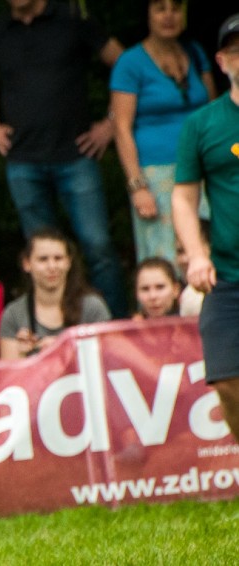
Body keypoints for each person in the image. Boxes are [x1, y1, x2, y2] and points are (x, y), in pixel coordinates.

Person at [0, 0, 128, 319]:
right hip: (23, 160)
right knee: (42, 257)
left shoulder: (73, 17)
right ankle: (52, 330)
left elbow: (125, 64)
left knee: (98, 248)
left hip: (76, 155)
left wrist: (112, 122)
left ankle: (116, 329)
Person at [172, 13, 239, 442]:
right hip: (228, 275)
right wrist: (196, 254)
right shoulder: (201, 124)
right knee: (228, 383)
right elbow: (182, 196)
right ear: (221, 60)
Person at [111, 0, 217, 265]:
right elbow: (121, 127)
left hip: (202, 168)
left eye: (175, 8)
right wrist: (137, 186)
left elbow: (215, 110)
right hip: (156, 174)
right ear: (147, 15)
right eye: (160, 8)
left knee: (209, 246)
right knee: (164, 254)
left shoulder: (194, 53)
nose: (169, 15)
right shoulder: (130, 62)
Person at [0, 228, 111, 359]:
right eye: (43, 259)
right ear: (27, 264)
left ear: (68, 262)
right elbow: (9, 376)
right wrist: (22, 355)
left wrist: (63, 349)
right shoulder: (13, 314)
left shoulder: (93, 307)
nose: (52, 266)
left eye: (58, 258)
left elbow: (107, 362)